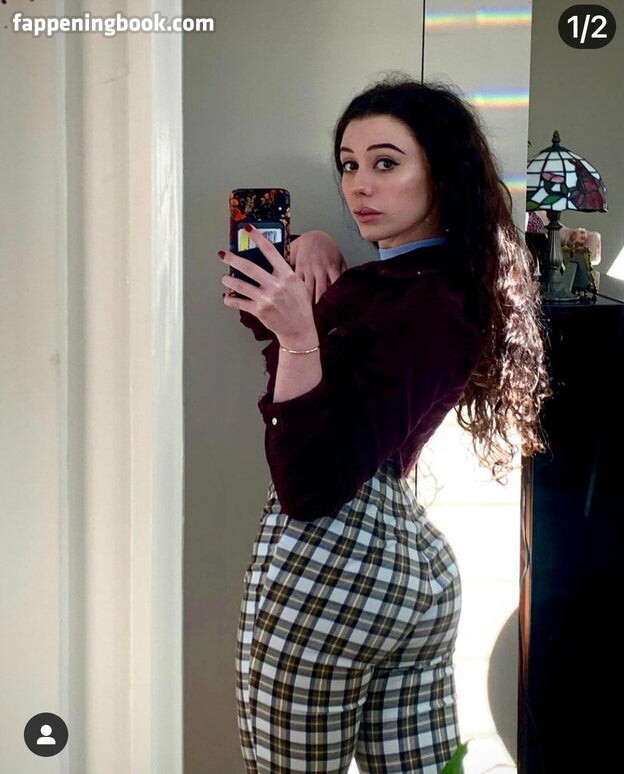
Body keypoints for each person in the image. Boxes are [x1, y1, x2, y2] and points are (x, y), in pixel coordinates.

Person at [218, 76, 550, 773]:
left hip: (329, 568)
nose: (359, 186)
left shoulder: (426, 307)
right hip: (411, 572)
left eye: (386, 163)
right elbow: (320, 361)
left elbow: (310, 486)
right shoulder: (422, 284)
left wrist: (300, 336)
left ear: (441, 172)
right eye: (348, 165)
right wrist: (312, 250)